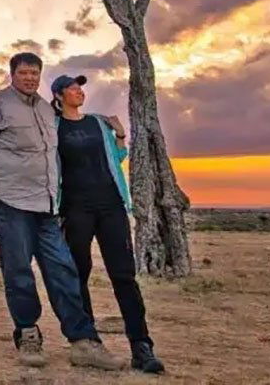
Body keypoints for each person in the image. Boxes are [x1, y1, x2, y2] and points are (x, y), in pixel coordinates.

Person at [0, 52, 124, 371]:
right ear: (12, 74)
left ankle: (83, 342)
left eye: (35, 73)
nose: (30, 78)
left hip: (46, 204)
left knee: (63, 269)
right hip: (11, 201)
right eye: (24, 73)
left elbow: (68, 133)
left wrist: (106, 126)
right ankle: (28, 334)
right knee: (19, 270)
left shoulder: (47, 111)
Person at [50, 73, 166, 374]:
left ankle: (141, 346)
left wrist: (120, 136)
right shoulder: (53, 128)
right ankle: (89, 341)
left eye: (80, 87)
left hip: (111, 205)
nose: (79, 91)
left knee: (124, 275)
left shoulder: (98, 123)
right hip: (75, 209)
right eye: (72, 88)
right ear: (59, 96)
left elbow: (117, 158)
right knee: (78, 274)